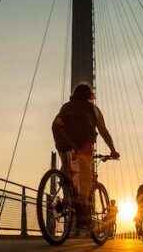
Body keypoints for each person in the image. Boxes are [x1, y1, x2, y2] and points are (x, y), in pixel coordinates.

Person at [51, 82, 119, 227]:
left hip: (61, 136)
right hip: (83, 139)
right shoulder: (93, 109)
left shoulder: (66, 106)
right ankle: (82, 206)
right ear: (90, 95)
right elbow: (103, 132)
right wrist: (113, 150)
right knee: (85, 170)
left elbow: (58, 122)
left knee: (66, 166)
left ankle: (66, 195)